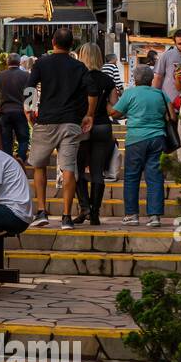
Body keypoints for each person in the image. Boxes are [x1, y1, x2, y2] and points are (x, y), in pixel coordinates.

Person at [26, 27, 91, 229]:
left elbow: (29, 87)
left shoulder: (41, 63)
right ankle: (66, 217)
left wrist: (29, 110)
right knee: (68, 168)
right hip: (71, 122)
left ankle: (42, 211)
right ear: (72, 44)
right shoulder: (79, 67)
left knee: (39, 165)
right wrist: (89, 114)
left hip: (46, 121)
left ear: (53, 42)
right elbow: (92, 91)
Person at [110, 65, 172, 227]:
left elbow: (115, 113)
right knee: (155, 177)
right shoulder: (161, 94)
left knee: (131, 177)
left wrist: (106, 104)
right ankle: (155, 216)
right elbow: (172, 116)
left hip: (135, 140)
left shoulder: (130, 93)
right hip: (158, 139)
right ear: (151, 79)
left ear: (135, 80)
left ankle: (132, 214)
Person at [72, 43, 119, 227]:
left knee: (78, 169)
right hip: (102, 127)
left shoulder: (77, 78)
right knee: (98, 171)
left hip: (82, 126)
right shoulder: (108, 79)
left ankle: (85, 207)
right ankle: (95, 213)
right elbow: (113, 106)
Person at [0, 53, 31, 165]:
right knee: (23, 138)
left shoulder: (1, 75)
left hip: (5, 112)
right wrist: (29, 109)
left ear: (7, 62)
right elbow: (31, 92)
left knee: (6, 141)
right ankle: (21, 157)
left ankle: (9, 163)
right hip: (21, 111)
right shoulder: (26, 75)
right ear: (19, 62)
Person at [153, 28, 181, 104]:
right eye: (179, 44)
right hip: (170, 102)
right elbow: (158, 78)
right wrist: (154, 98)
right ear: (175, 43)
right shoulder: (166, 56)